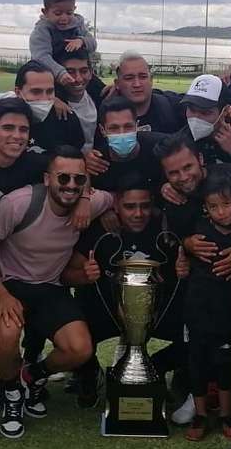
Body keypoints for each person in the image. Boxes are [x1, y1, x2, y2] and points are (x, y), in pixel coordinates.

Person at [0, 147, 114, 438]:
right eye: (63, 178)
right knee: (7, 333)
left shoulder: (88, 199)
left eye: (79, 180)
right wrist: (0, 294)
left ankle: (32, 376)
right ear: (47, 178)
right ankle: (11, 393)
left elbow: (118, 198)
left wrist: (87, 199)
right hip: (11, 284)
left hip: (50, 286)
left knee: (80, 349)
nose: (71, 186)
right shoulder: (18, 203)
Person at [63, 174, 187, 409]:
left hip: (154, 312)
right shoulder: (102, 228)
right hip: (106, 310)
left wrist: (183, 270)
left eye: (144, 206)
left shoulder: (166, 229)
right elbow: (66, 274)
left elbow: (184, 266)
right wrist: (83, 275)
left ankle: (156, 367)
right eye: (130, 207)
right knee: (71, 333)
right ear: (116, 205)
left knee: (199, 331)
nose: (138, 214)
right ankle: (89, 373)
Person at [180, 169, 231, 441]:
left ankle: (227, 414)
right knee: (197, 362)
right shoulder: (196, 229)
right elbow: (179, 251)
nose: (220, 212)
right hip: (196, 307)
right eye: (213, 206)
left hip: (228, 309)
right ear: (205, 208)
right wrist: (183, 249)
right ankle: (200, 414)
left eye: (226, 204)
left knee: (223, 362)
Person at [0, 60, 87, 153]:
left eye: (49, 91)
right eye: (36, 92)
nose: (44, 98)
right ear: (18, 92)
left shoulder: (66, 118)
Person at [85, 96, 168, 191]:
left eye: (128, 126)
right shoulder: (96, 163)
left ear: (137, 126)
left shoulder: (160, 147)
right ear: (102, 130)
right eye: (114, 128)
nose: (122, 133)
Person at [29, 0, 97, 87]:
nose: (64, 18)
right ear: (45, 12)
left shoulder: (77, 24)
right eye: (58, 13)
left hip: (78, 73)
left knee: (103, 92)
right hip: (52, 77)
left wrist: (82, 41)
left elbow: (93, 44)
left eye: (69, 13)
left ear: (74, 9)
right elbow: (41, 57)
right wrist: (60, 72)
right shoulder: (41, 31)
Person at [112, 52, 185, 133]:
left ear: (151, 80)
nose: (137, 84)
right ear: (117, 84)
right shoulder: (105, 110)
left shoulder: (172, 107)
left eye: (143, 77)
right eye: (129, 78)